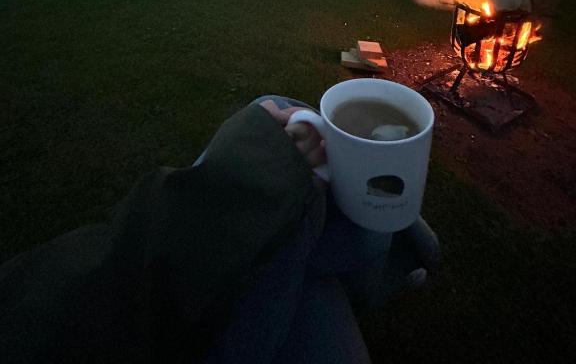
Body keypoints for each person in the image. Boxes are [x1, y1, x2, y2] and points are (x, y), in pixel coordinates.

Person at [0, 96, 440, 363]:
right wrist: (248, 169)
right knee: (283, 125)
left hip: (135, 308)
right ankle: (402, 246)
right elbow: (120, 300)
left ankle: (397, 250)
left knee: (299, 170)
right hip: (187, 338)